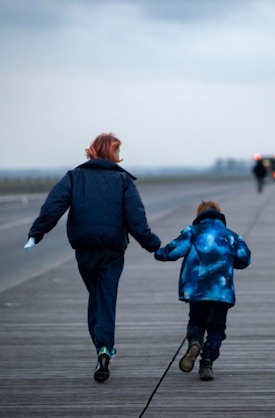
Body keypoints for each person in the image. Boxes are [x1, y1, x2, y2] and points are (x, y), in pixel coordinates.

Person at [24, 133, 161, 383]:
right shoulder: (123, 181)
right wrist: (155, 247)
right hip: (111, 250)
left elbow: (53, 207)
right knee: (106, 297)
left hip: (84, 248)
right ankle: (105, 347)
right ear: (110, 152)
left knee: (96, 296)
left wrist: (36, 234)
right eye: (117, 150)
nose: (119, 155)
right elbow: (137, 222)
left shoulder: (74, 177)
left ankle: (101, 346)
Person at [154, 200, 251, 380]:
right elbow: (244, 259)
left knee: (196, 320)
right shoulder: (231, 236)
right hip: (221, 292)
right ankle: (207, 363)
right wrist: (229, 260)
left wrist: (158, 252)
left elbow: (172, 251)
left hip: (196, 290)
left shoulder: (192, 232)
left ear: (199, 215)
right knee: (217, 328)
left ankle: (195, 341)